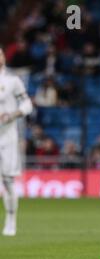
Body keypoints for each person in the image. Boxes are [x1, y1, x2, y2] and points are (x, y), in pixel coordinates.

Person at [0, 46, 33, 236]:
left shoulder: (12, 81)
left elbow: (27, 104)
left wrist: (13, 115)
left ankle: (11, 220)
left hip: (7, 136)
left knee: (7, 179)